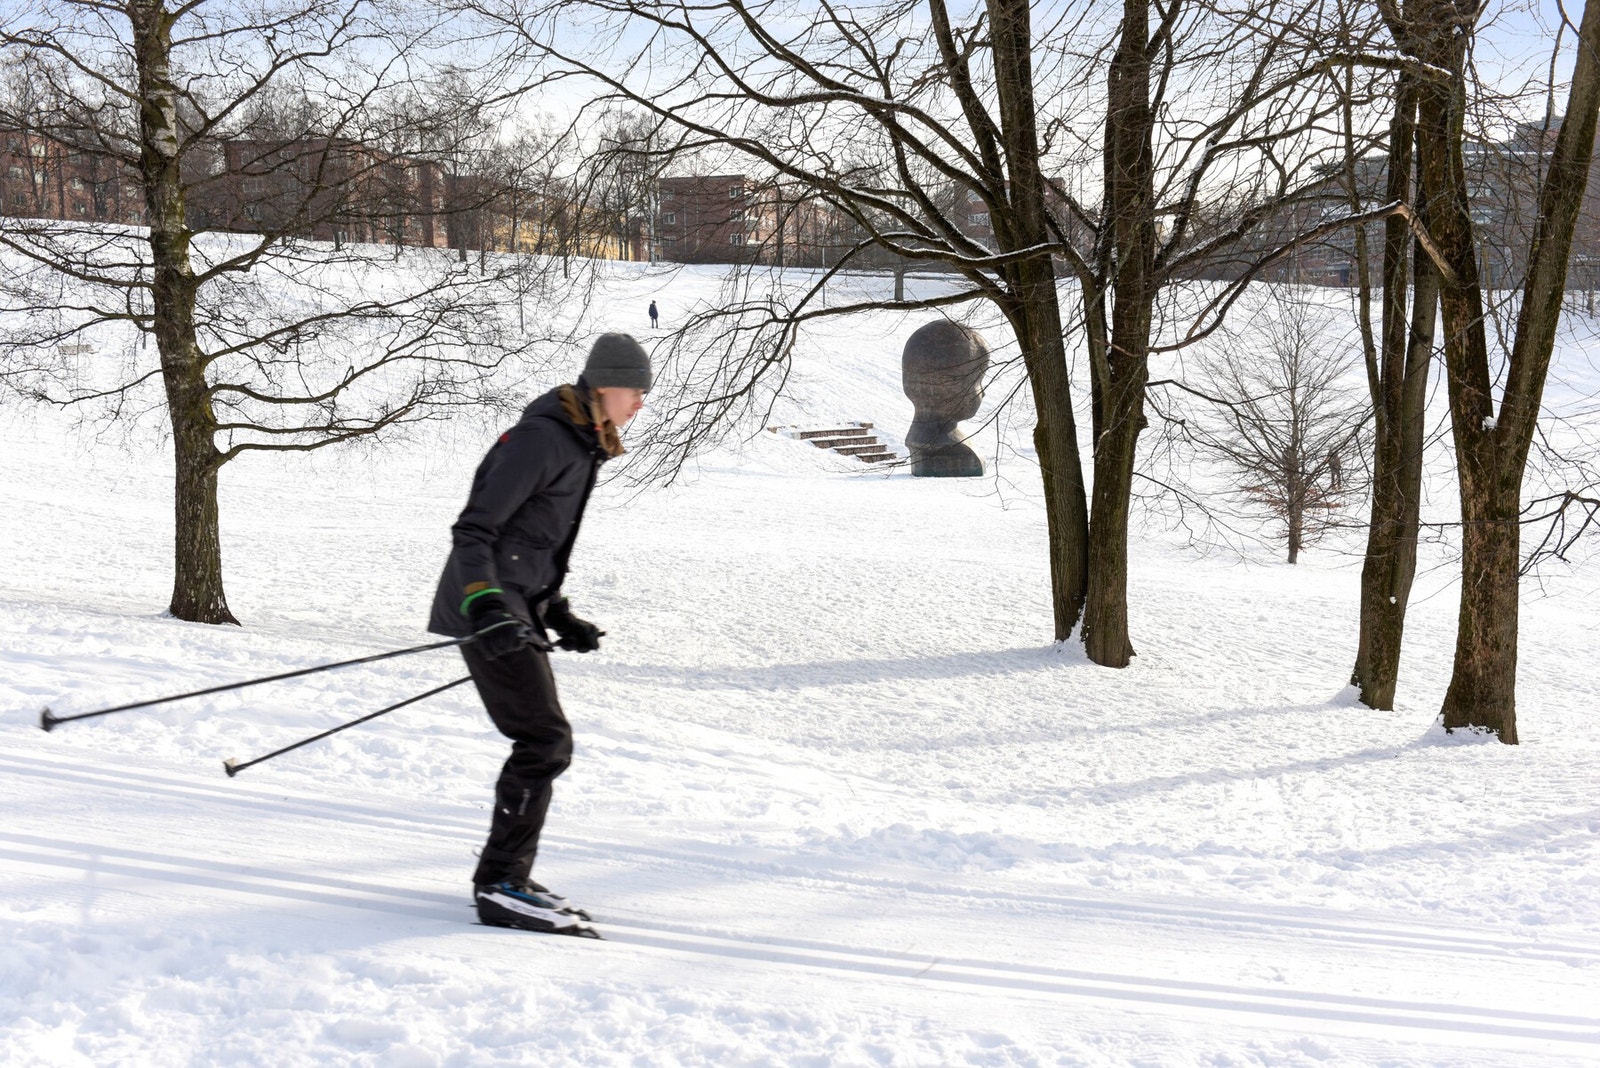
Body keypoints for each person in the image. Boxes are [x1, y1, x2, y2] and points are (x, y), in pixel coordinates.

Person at [428, 333, 649, 934]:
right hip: (488, 609)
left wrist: (556, 610)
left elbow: (531, 541)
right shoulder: (542, 439)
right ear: (606, 385)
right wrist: (487, 606)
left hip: (514, 606)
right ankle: (500, 883)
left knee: (544, 740)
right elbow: (474, 531)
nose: (639, 405)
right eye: (636, 392)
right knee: (543, 740)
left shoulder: (581, 444)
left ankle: (507, 877)